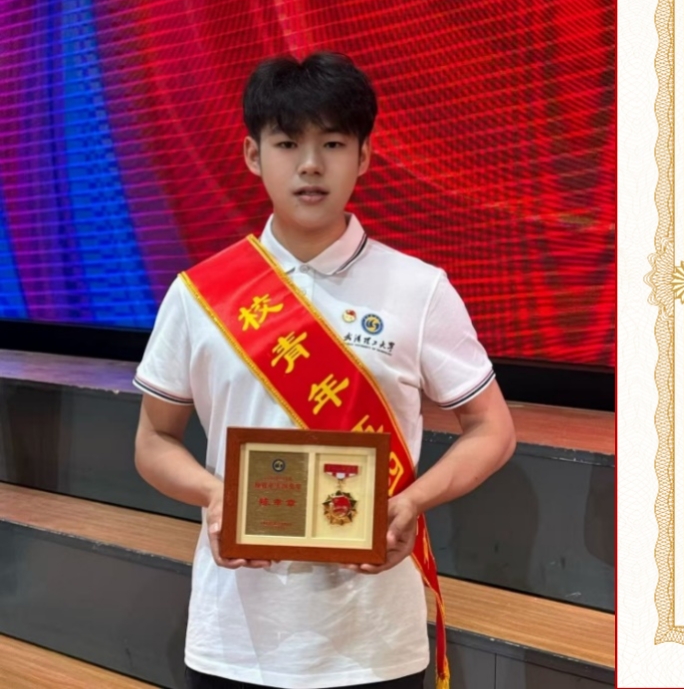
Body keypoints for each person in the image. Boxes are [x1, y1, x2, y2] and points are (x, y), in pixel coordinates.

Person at [133, 52, 516, 689]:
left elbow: (492, 428)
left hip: (375, 642)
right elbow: (153, 439)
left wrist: (412, 502)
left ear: (363, 156)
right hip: (234, 640)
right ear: (253, 154)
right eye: (288, 143)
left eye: (333, 143)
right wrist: (215, 496)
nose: (310, 164)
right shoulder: (200, 294)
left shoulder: (419, 288)